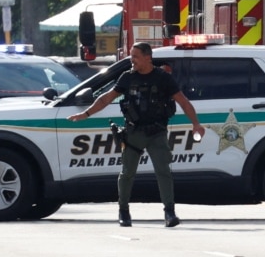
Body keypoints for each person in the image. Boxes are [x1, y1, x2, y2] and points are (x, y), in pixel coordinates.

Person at [68, 42, 205, 228]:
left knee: (163, 171)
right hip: (133, 132)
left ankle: (169, 212)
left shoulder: (162, 78)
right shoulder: (127, 77)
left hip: (157, 132)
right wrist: (85, 114)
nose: (132, 60)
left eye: (136, 57)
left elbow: (182, 101)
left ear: (148, 58)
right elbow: (106, 98)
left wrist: (196, 123)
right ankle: (123, 211)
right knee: (127, 173)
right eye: (132, 56)